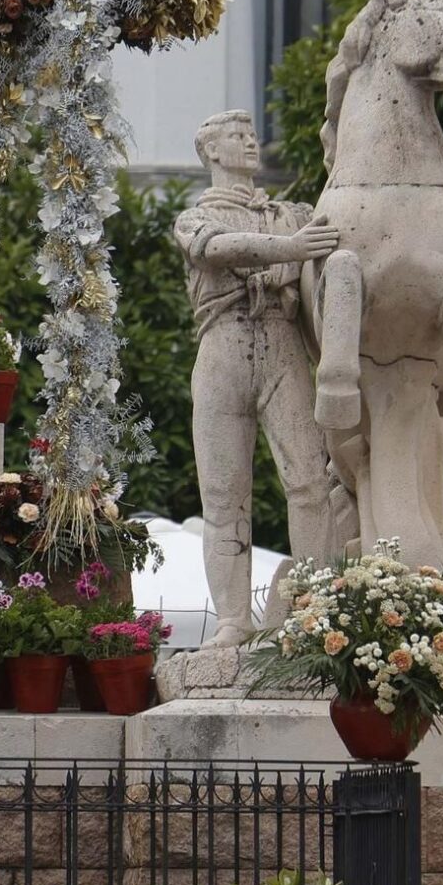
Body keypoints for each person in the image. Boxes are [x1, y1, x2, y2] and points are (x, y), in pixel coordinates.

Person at [172, 108, 355, 646]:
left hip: (282, 343)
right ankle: (233, 620)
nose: (250, 142)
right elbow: (215, 249)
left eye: (251, 134)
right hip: (222, 346)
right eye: (236, 135)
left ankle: (314, 609)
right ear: (211, 152)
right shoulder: (194, 216)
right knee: (224, 496)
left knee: (309, 481)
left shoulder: (293, 213)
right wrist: (292, 251)